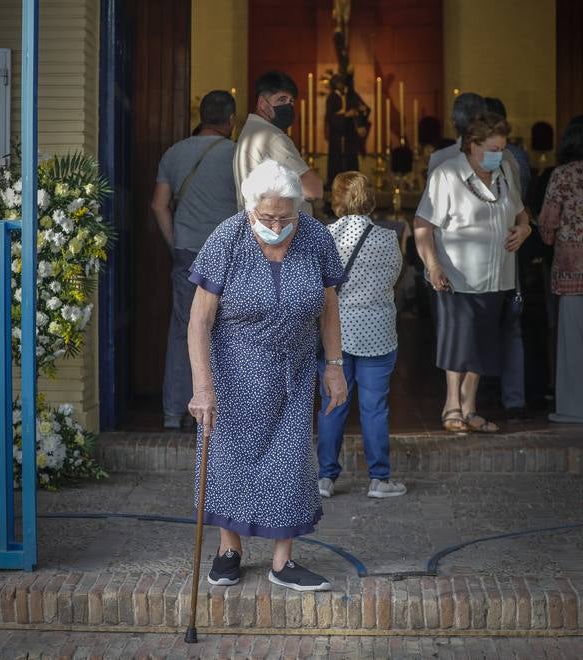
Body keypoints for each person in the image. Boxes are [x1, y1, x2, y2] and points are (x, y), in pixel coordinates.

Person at [187, 159, 348, 592]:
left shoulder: (314, 236)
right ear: (250, 207)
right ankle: (228, 552)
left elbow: (329, 304)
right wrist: (203, 388)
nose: (278, 224)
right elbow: (199, 319)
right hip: (233, 374)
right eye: (268, 216)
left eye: (286, 216)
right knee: (230, 460)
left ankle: (283, 560)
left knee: (290, 462)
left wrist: (334, 366)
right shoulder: (229, 236)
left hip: (293, 371)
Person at [414, 112, 532, 433]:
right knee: (459, 342)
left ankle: (469, 408)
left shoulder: (506, 170)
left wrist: (524, 231)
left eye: (502, 148)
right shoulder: (447, 174)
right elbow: (423, 225)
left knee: (483, 343)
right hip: (457, 275)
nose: (498, 155)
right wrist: (433, 265)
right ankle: (451, 405)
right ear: (471, 145)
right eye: (491, 149)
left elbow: (522, 215)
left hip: (497, 275)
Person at [151, 90, 237, 431]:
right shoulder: (236, 156)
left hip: (188, 253)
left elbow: (159, 204)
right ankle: (223, 415)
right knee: (228, 333)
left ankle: (173, 412)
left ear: (201, 117)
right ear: (231, 120)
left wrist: (176, 243)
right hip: (229, 255)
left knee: (182, 329)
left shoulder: (174, 153)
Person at [317, 172, 406, 500]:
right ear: (369, 197)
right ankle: (379, 479)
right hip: (378, 333)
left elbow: (319, 285)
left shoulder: (325, 236)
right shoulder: (388, 238)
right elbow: (395, 277)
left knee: (332, 404)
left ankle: (325, 478)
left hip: (334, 335)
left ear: (336, 199)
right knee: (375, 406)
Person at [539, 115, 583, 424]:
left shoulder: (563, 175)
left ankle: (572, 407)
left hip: (571, 270)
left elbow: (548, 225)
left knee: (571, 340)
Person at [234, 70, 323, 213]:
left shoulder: (249, 130)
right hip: (281, 227)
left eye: (291, 101)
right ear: (262, 103)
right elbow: (313, 189)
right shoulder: (271, 136)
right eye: (281, 100)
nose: (288, 106)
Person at [325, 73, 370, 187]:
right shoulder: (332, 97)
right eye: (339, 83)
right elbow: (330, 117)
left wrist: (361, 111)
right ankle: (335, 183)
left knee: (351, 158)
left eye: (342, 82)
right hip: (337, 135)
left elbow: (364, 109)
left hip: (350, 134)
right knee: (336, 160)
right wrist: (345, 115)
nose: (342, 85)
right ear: (335, 85)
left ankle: (353, 183)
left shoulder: (351, 95)